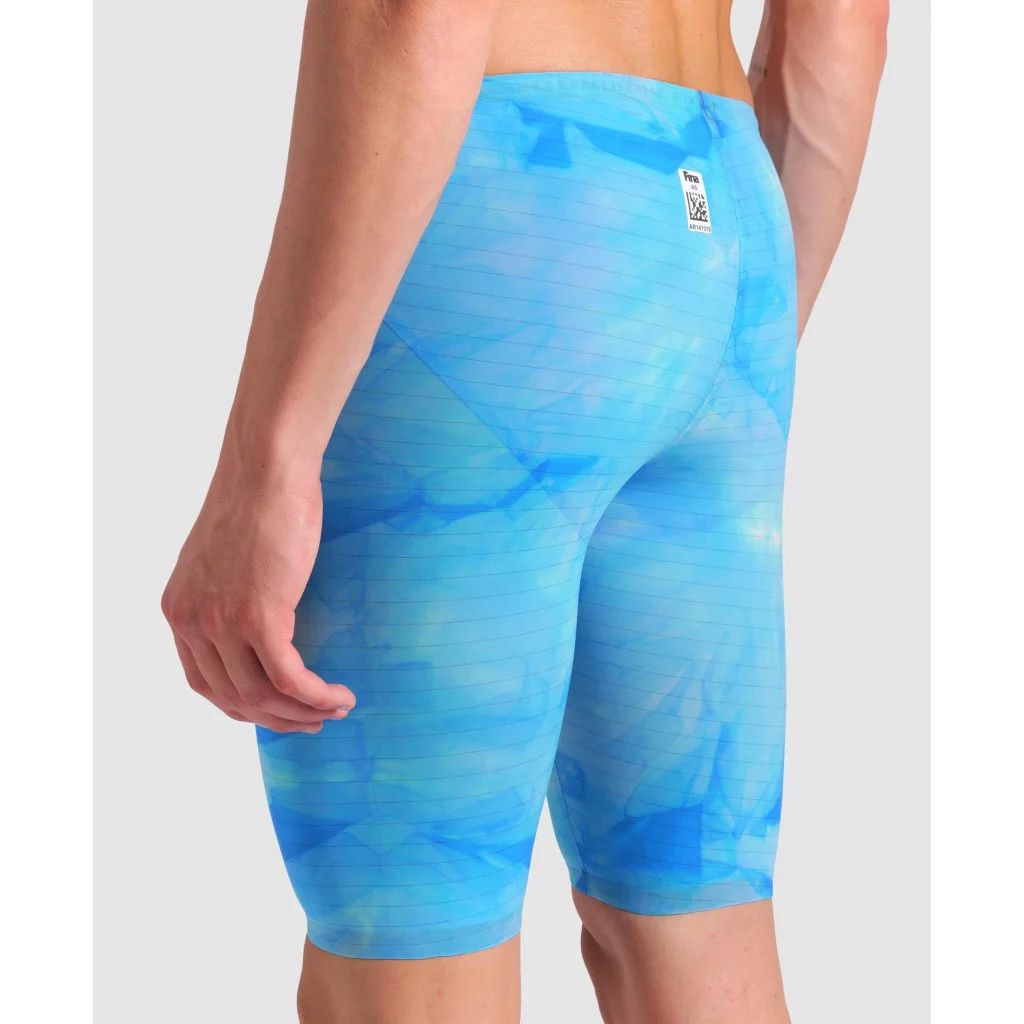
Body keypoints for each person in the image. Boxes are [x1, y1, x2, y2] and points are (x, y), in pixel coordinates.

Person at [161, 1, 887, 1021]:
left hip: (513, 231)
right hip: (730, 227)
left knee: (413, 948)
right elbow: (843, 23)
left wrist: (265, 462)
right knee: (695, 922)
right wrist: (699, 354)